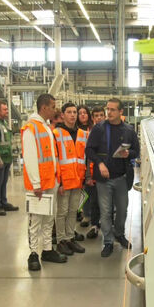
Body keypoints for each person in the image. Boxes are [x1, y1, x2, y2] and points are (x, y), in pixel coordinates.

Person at [85, 98, 139, 257]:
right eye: (108, 109)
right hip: (103, 180)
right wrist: (100, 164)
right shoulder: (99, 129)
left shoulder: (129, 130)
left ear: (121, 112)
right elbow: (89, 150)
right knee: (106, 211)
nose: (109, 112)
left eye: (113, 109)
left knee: (122, 210)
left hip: (122, 178)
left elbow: (137, 151)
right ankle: (108, 241)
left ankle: (119, 234)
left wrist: (129, 154)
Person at [22, 94, 67, 271]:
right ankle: (33, 254)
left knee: (49, 218)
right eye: (53, 106)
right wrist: (36, 183)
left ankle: (47, 250)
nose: (55, 109)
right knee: (35, 220)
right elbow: (30, 157)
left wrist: (57, 178)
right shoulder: (30, 128)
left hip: (51, 182)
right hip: (39, 186)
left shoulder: (46, 127)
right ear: (43, 108)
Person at [53, 103, 87, 256]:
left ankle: (70, 238)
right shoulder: (56, 133)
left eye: (75, 112)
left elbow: (84, 158)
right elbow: (55, 159)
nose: (73, 115)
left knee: (73, 211)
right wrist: (58, 182)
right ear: (63, 115)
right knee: (62, 212)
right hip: (64, 181)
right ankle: (61, 240)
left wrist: (85, 177)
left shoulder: (83, 134)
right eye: (69, 112)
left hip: (78, 180)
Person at [85, 106, 105, 238]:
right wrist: (88, 176)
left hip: (106, 174)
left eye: (101, 115)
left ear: (105, 116)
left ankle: (109, 226)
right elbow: (87, 157)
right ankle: (94, 226)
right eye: (96, 116)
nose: (98, 118)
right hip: (93, 174)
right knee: (94, 202)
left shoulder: (109, 132)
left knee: (108, 203)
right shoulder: (89, 134)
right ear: (92, 118)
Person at [76, 105, 93, 228]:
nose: (82, 115)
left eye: (85, 112)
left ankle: (91, 215)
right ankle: (84, 214)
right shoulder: (74, 130)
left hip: (90, 164)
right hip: (78, 165)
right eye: (80, 113)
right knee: (81, 192)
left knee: (91, 192)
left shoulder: (93, 129)